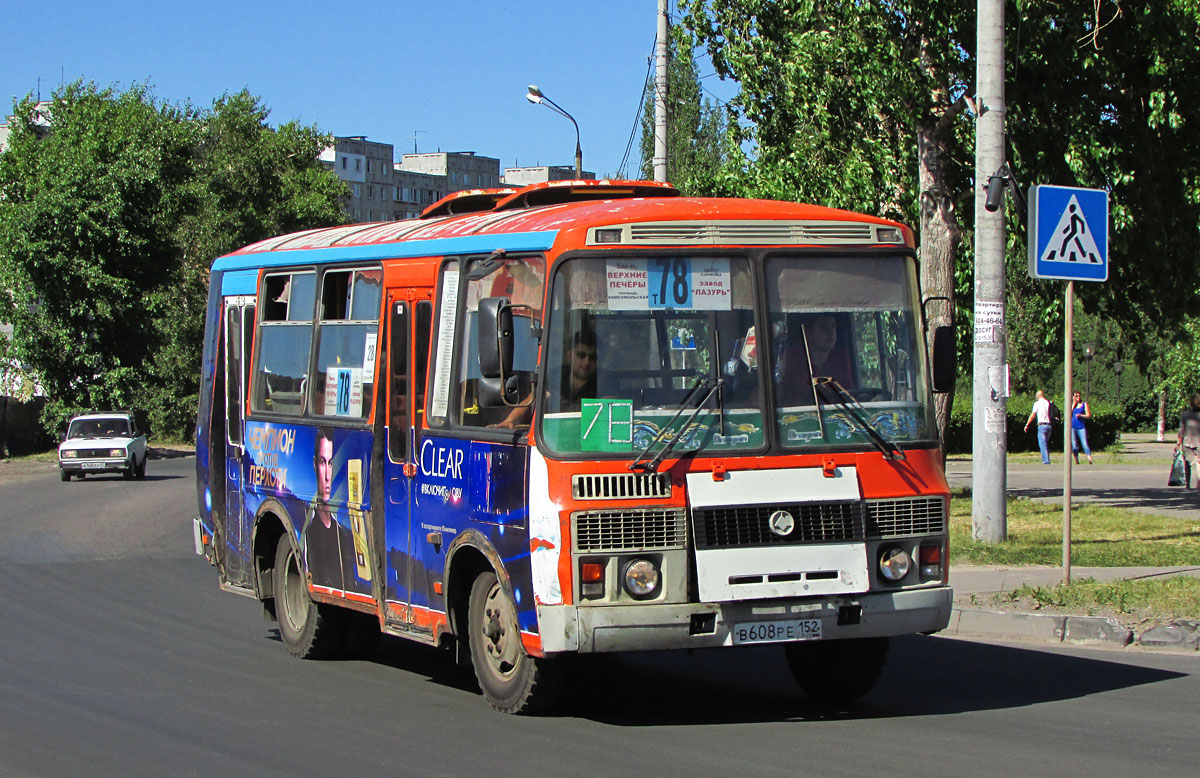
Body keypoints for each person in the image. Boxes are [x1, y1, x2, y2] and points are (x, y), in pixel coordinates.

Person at [494, 329, 598, 428]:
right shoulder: (556, 375)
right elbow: (534, 399)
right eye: (581, 355)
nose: (586, 362)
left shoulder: (603, 382)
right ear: (569, 354)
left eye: (592, 357)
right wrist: (511, 420)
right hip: (551, 440)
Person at [304, 426, 350, 588]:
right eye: (323, 462)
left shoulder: (344, 536)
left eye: (331, 463)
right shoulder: (309, 533)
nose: (327, 475)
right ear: (315, 465)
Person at [777, 313, 854, 406]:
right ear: (808, 332)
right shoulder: (792, 358)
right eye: (823, 327)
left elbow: (849, 395)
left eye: (833, 326)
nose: (830, 333)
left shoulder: (842, 359)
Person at [1176, 394, 1200, 489]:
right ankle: (1198, 483)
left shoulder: (1185, 414)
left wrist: (1178, 443)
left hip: (1187, 441)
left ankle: (1187, 484)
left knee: (1187, 463)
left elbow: (1181, 430)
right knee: (1198, 462)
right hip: (1198, 442)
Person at [1023, 390, 1053, 465]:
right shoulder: (1048, 402)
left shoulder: (1037, 403)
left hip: (1042, 425)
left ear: (1038, 396)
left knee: (1043, 444)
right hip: (1049, 425)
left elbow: (1033, 415)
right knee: (1045, 443)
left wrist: (1027, 424)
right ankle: (1047, 459)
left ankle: (1046, 461)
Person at [1070, 391, 1093, 465]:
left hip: (1081, 427)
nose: (1077, 397)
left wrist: (1081, 415)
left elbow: (1088, 415)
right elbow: (1068, 413)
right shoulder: (1072, 405)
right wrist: (1073, 404)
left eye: (1078, 396)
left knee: (1084, 443)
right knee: (1074, 444)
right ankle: (1076, 459)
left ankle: (1089, 458)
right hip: (1072, 427)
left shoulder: (1084, 404)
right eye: (1075, 396)